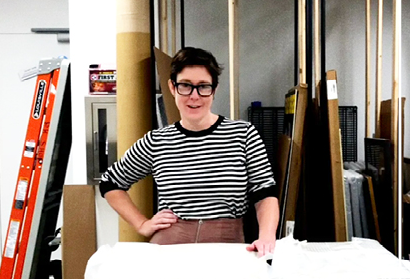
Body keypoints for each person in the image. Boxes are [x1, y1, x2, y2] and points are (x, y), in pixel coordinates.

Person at [99, 47, 279, 257]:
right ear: (172, 87)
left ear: (214, 89)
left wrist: (267, 236)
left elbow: (264, 192)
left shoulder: (243, 134)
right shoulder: (157, 141)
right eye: (185, 86)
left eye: (203, 87)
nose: (194, 96)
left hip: (227, 244)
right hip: (170, 246)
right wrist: (142, 224)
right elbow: (110, 182)